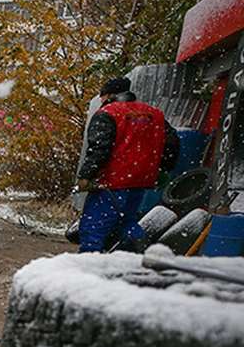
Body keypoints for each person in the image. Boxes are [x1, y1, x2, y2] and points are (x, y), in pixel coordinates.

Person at [75, 77, 180, 253]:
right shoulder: (154, 114)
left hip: (111, 182)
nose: (101, 100)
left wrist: (86, 176)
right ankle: (134, 258)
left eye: (102, 96)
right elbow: (172, 144)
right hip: (141, 181)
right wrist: (163, 169)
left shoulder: (108, 113)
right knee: (128, 222)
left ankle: (88, 265)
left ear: (108, 95)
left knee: (94, 227)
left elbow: (99, 148)